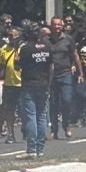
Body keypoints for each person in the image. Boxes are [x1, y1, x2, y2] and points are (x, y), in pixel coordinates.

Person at [17, 25, 54, 156]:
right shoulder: (47, 47)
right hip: (43, 84)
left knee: (31, 116)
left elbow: (18, 65)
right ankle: (40, 148)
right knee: (42, 116)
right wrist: (48, 85)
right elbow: (51, 68)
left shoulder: (26, 49)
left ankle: (32, 148)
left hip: (29, 84)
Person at [47, 17, 82, 140]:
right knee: (53, 104)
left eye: (58, 25)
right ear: (51, 26)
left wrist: (80, 73)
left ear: (62, 26)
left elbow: (75, 56)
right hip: (51, 76)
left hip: (65, 74)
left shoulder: (68, 39)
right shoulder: (46, 40)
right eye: (54, 25)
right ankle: (54, 130)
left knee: (67, 100)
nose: (56, 27)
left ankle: (66, 125)